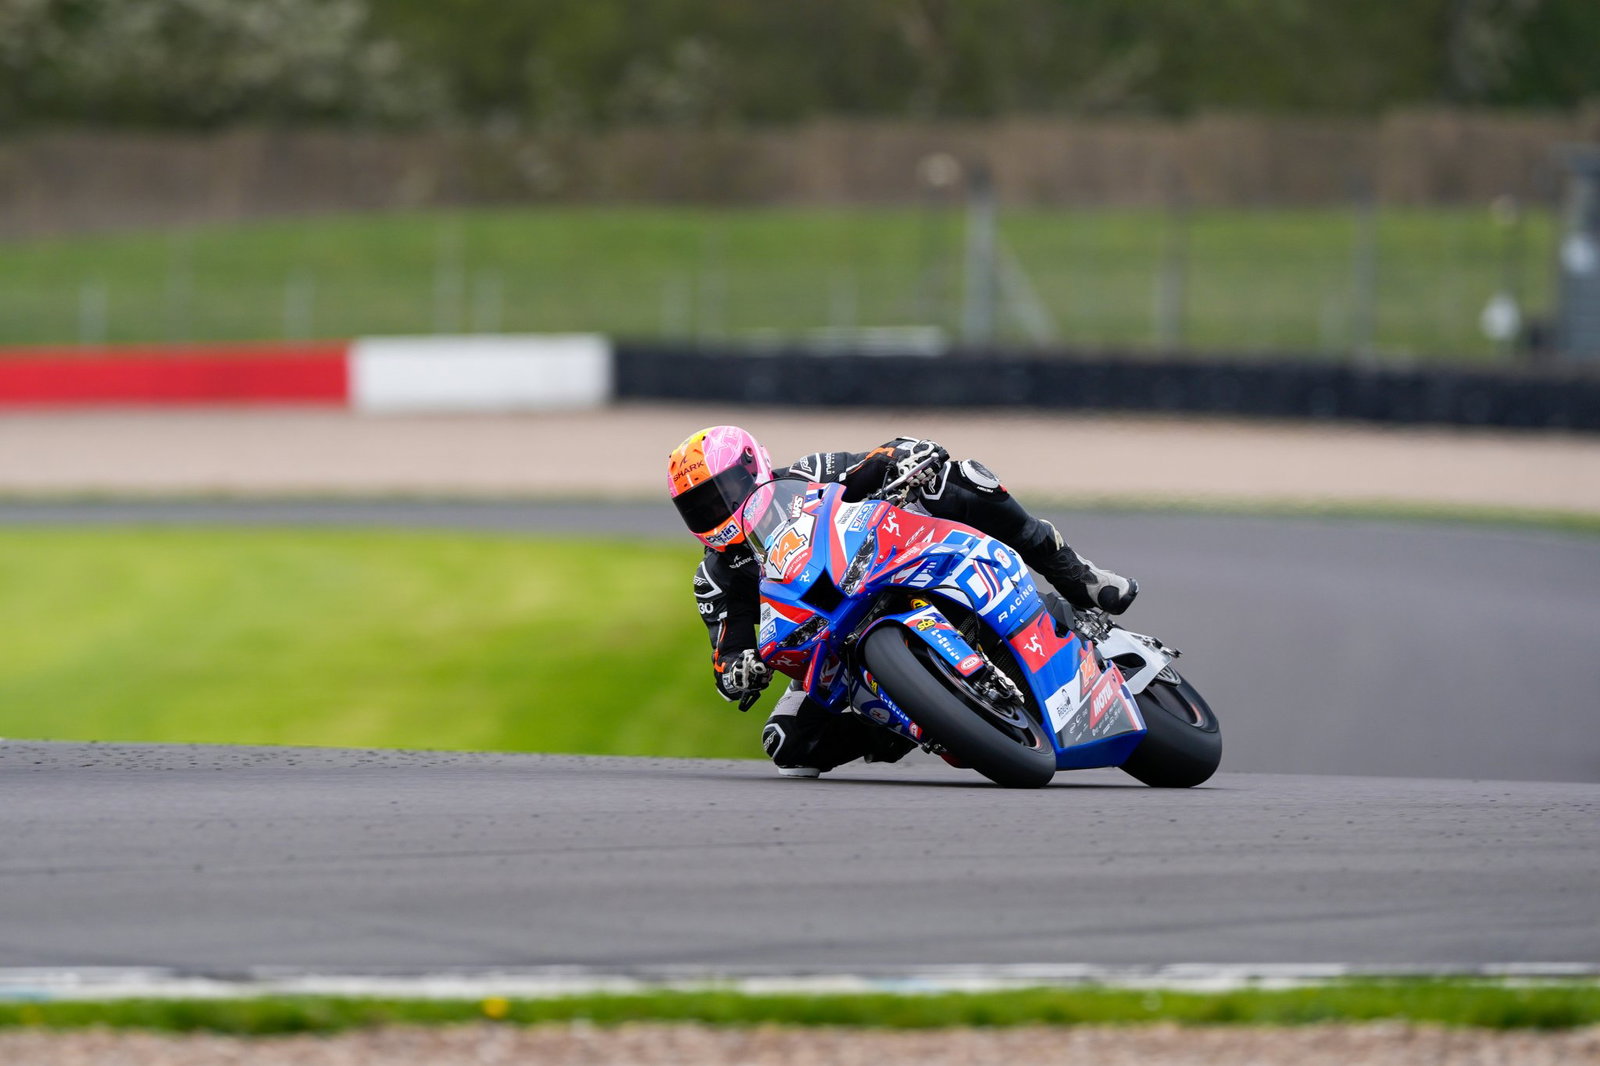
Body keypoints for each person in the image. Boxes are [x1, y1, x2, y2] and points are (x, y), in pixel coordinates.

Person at [666, 425, 1138, 778]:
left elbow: (874, 460)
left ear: (754, 467)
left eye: (723, 492)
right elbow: (726, 656)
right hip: (827, 639)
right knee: (787, 745)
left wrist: (906, 456)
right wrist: (739, 671)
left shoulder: (806, 476)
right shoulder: (715, 577)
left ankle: (1077, 574)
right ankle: (926, 716)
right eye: (701, 506)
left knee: (959, 478)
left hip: (888, 561)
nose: (719, 510)